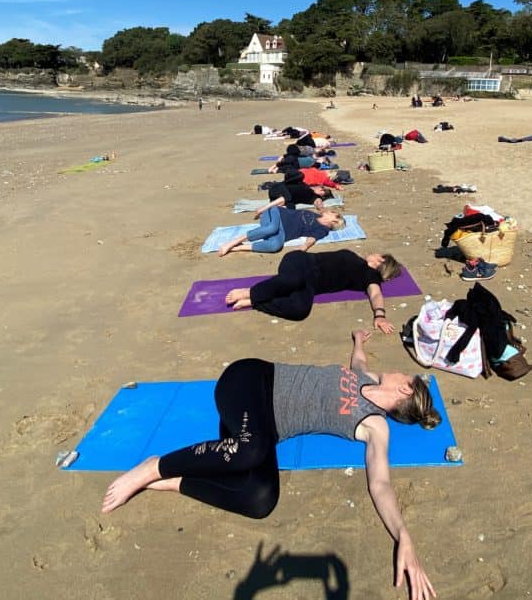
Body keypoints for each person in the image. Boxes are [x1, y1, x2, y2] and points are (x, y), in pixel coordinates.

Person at [102, 330, 441, 600]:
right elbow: (358, 360)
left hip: (255, 429)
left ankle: (177, 481)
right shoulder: (365, 376)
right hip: (251, 380)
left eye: (404, 375)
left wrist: (404, 537)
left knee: (261, 499)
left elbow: (380, 484)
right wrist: (357, 340)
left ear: (404, 387)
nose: (396, 369)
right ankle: (153, 466)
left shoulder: (375, 425)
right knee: (250, 450)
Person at [224, 250, 402, 331]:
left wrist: (380, 315)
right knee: (292, 280)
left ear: (380, 260)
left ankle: (256, 302)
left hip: (310, 284)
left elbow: (376, 294)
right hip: (300, 261)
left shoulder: (371, 277)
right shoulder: (356, 258)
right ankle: (251, 292)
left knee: (300, 310)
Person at [218, 207, 345, 257]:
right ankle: (233, 242)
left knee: (275, 246)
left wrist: (304, 247)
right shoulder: (314, 213)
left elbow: (312, 238)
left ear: (333, 222)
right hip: (276, 214)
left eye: (334, 214)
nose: (331, 211)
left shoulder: (323, 230)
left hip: (283, 233)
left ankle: (237, 248)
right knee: (271, 228)